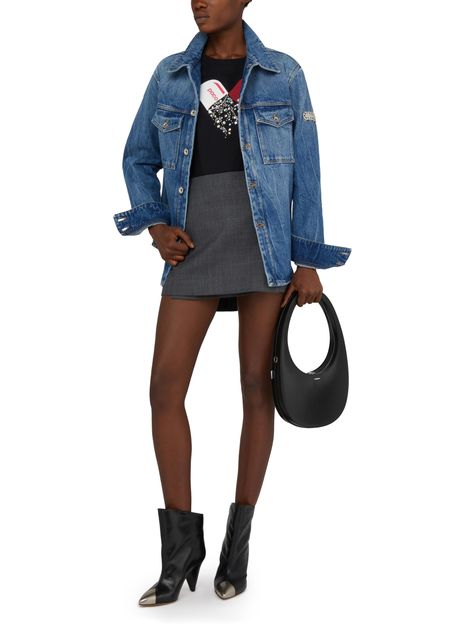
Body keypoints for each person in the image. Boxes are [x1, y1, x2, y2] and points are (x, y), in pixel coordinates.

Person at [113, 0, 352, 607]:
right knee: (164, 388)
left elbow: (308, 172)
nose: (199, 1)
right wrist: (155, 226)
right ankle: (178, 554)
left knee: (254, 385)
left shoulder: (283, 73)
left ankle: (235, 549)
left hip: (263, 246)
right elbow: (137, 156)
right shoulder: (172, 74)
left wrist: (307, 260)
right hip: (193, 246)